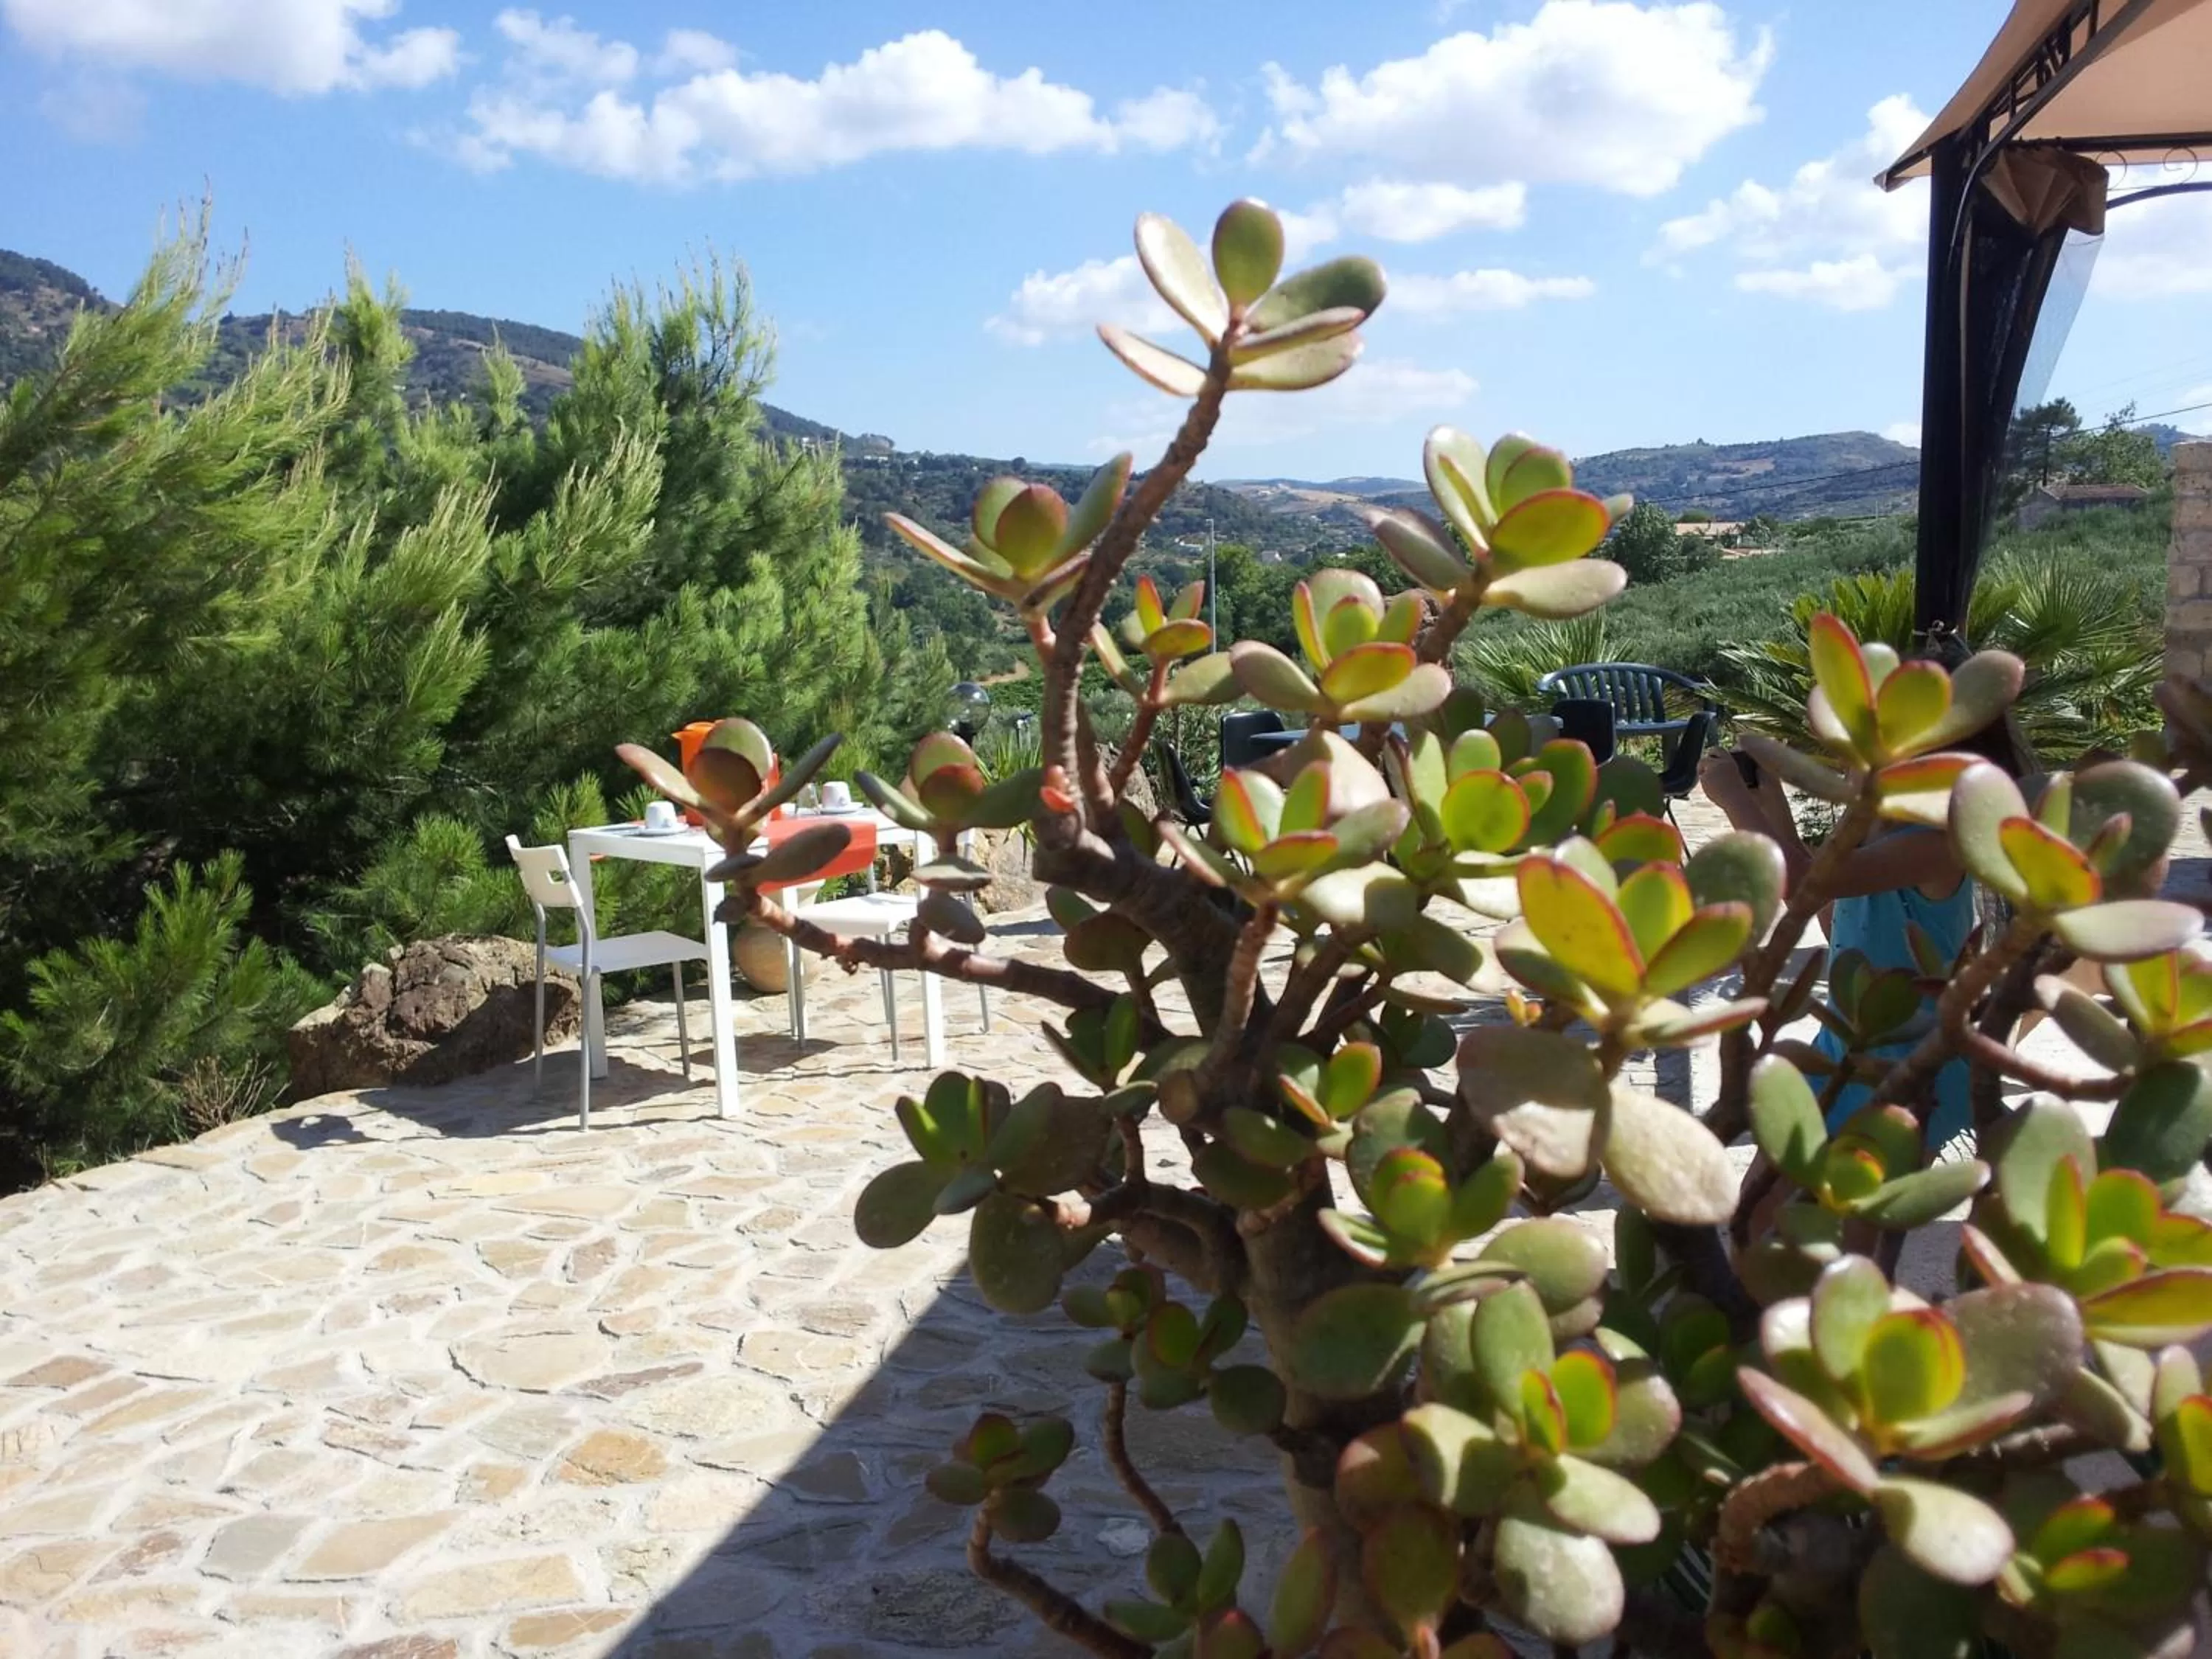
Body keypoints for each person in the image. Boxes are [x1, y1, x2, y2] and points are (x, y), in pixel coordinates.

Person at [1697, 711, 2032, 1154]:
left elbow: (1800, 882)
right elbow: (1816, 902)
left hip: (1903, 1070)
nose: (1843, 764)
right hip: (1843, 1050)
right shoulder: (1869, 824)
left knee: (1856, 1214)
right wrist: (1769, 800)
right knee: (1769, 1205)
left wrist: (1734, 800)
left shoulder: (1938, 844)